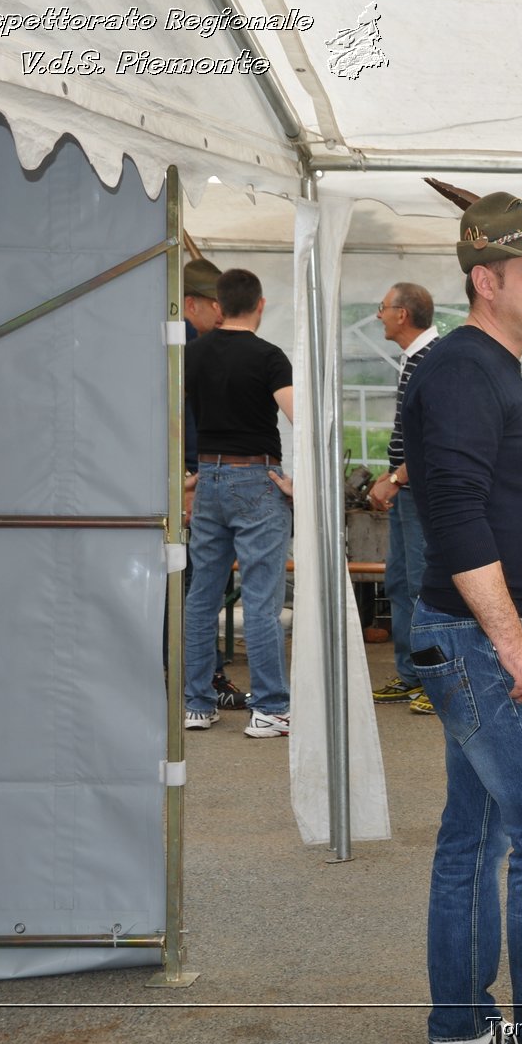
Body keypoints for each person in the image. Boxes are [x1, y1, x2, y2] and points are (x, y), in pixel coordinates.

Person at [400, 192, 522, 1044]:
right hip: (487, 642)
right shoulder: (461, 369)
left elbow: (477, 496)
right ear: (485, 281)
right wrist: (517, 640)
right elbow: (453, 511)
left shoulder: (488, 367)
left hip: (481, 635)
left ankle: (462, 1028)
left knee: (473, 839)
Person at [182, 268, 294, 737]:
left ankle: (196, 704)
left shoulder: (192, 353)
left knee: (201, 595)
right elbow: (300, 416)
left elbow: (168, 412)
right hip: (257, 476)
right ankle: (268, 708)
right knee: (262, 598)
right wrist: (299, 482)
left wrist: (189, 476)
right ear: (261, 305)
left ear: (217, 306)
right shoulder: (270, 357)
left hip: (208, 475)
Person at [178, 258, 251, 711]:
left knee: (197, 588)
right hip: (193, 476)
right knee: (197, 590)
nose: (222, 314)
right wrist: (185, 477)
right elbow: (177, 420)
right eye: (214, 305)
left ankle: (201, 682)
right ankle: (203, 682)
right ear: (192, 304)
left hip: (199, 474)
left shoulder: (199, 343)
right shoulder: (184, 342)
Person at [367, 282, 439, 714]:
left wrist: (396, 476)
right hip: (406, 488)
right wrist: (392, 473)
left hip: (420, 492)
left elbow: (436, 438)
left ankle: (434, 681)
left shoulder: (431, 360)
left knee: (421, 586)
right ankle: (412, 674)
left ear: (403, 315)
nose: (378, 315)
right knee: (398, 581)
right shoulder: (414, 358)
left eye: (382, 307)